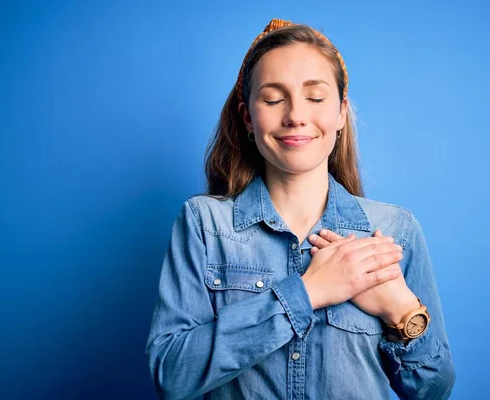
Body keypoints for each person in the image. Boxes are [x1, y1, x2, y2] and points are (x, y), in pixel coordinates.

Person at [146, 18, 455, 400]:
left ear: (341, 112)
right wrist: (306, 293)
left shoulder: (396, 230)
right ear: (247, 117)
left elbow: (432, 389)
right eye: (274, 98)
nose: (295, 115)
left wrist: (402, 312)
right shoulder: (203, 224)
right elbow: (171, 375)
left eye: (315, 97)